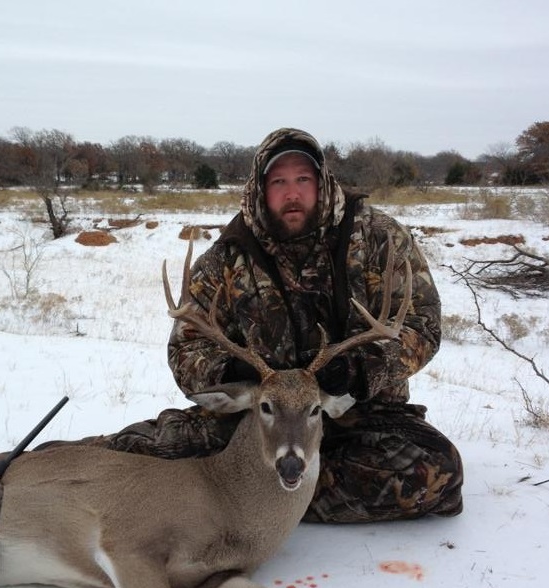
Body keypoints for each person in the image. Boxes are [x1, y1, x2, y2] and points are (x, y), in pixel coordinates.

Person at [67, 127, 463, 523]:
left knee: (436, 475)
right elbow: (186, 347)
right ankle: (57, 466)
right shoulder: (228, 255)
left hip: (358, 410)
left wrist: (362, 368)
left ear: (322, 181)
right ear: (260, 188)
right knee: (141, 455)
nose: (292, 193)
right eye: (279, 182)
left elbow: (421, 325)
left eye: (302, 179)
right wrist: (229, 370)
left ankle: (246, 493)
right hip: (258, 417)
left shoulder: (378, 237)